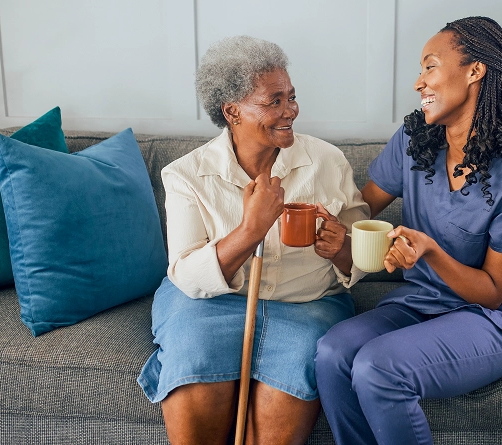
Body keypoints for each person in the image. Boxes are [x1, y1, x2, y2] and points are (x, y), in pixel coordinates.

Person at [314, 16, 502, 445]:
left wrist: (428, 252)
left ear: (474, 70)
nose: (418, 82)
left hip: (494, 317)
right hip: (421, 302)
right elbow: (360, 211)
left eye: (429, 66)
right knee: (332, 353)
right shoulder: (415, 141)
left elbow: (492, 292)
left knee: (379, 367)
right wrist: (334, 231)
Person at [137, 35, 369, 445]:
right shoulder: (186, 175)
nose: (290, 111)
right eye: (273, 101)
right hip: (207, 304)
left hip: (307, 304)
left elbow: (361, 260)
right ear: (232, 111)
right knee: (194, 368)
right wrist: (250, 230)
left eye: (291, 98)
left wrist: (344, 249)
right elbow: (188, 276)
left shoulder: (328, 161)